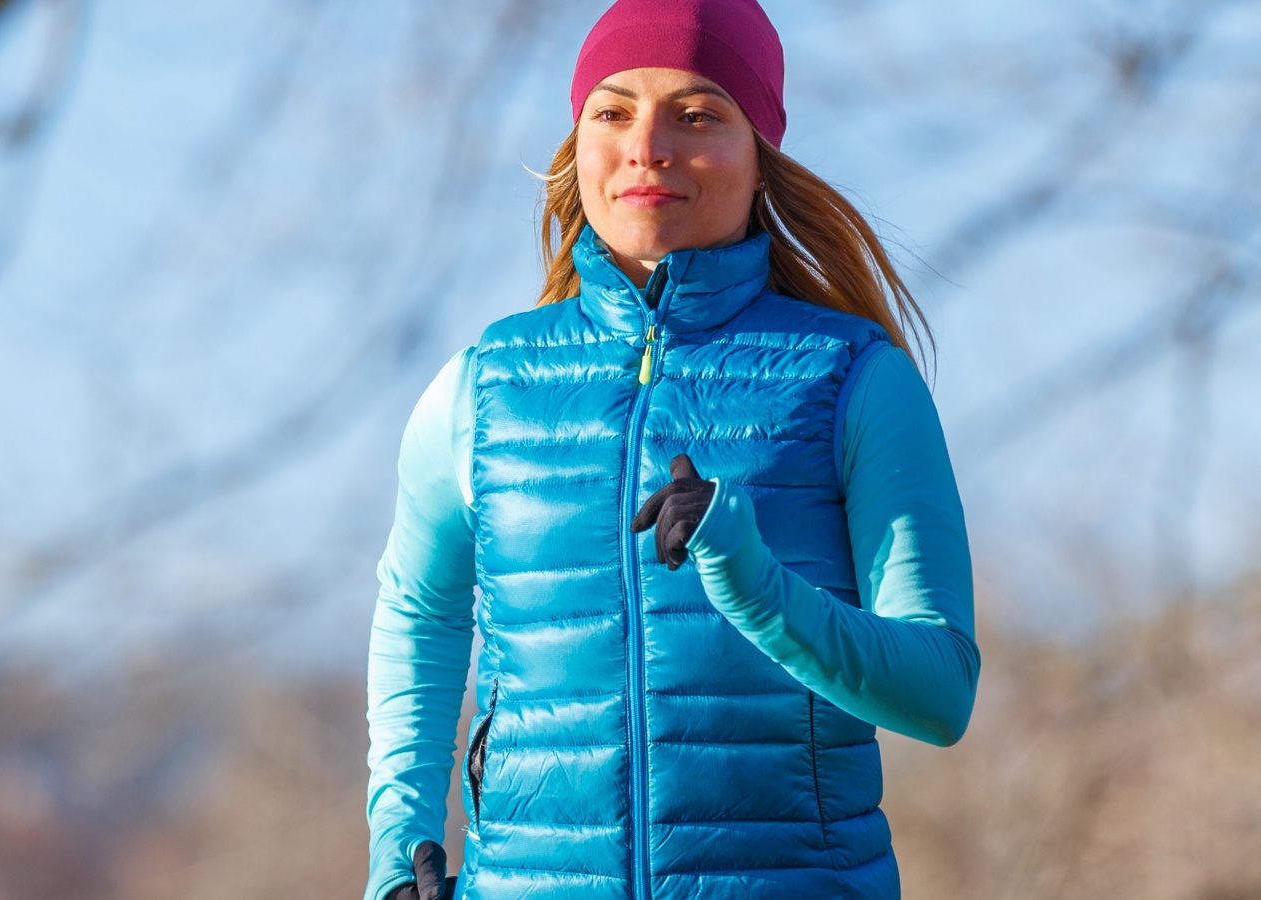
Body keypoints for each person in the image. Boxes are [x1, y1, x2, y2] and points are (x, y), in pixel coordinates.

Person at [362, 1, 978, 898]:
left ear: (759, 154)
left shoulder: (856, 382)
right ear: (579, 146)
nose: (647, 145)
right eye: (612, 112)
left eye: (697, 114)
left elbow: (940, 692)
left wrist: (751, 577)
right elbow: (418, 612)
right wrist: (397, 844)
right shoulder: (482, 385)